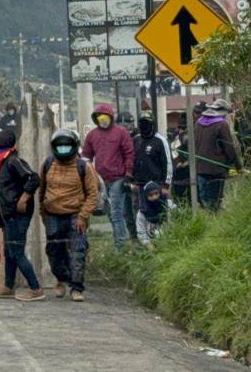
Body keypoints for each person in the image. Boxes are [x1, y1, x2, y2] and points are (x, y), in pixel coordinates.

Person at [39, 129, 98, 302]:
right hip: (52, 215)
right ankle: (61, 279)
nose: (63, 150)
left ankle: (76, 288)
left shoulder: (84, 167)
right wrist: (43, 212)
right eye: (60, 147)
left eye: (67, 147)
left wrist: (83, 216)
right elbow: (41, 190)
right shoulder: (47, 163)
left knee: (77, 252)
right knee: (54, 252)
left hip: (75, 216)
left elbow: (93, 195)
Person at [0, 129, 44, 301]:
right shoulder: (3, 164)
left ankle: (36, 289)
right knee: (9, 252)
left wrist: (24, 198)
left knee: (17, 252)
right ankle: (8, 286)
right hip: (7, 217)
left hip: (18, 215)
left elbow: (34, 179)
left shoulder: (13, 162)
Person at [81, 103, 134, 247]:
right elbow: (86, 156)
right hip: (101, 180)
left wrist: (128, 173)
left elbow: (129, 153)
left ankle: (121, 244)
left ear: (111, 117)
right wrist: (86, 175)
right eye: (100, 118)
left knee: (116, 211)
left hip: (118, 178)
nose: (103, 120)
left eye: (105, 117)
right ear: (96, 119)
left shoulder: (121, 133)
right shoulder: (92, 135)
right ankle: (121, 239)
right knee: (110, 212)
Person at [193, 99, 241, 210]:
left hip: (200, 169)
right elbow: (229, 148)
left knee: (204, 201)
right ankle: (215, 223)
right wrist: (238, 166)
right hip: (216, 170)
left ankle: (208, 224)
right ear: (223, 111)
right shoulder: (221, 124)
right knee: (215, 203)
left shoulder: (198, 123)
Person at [130, 113, 171, 238]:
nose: (144, 126)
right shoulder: (136, 140)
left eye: (147, 123)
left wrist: (165, 185)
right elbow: (132, 160)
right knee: (142, 211)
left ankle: (163, 237)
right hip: (140, 185)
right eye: (142, 123)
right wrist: (132, 180)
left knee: (160, 211)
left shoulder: (160, 141)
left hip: (157, 185)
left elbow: (167, 163)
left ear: (152, 124)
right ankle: (144, 239)